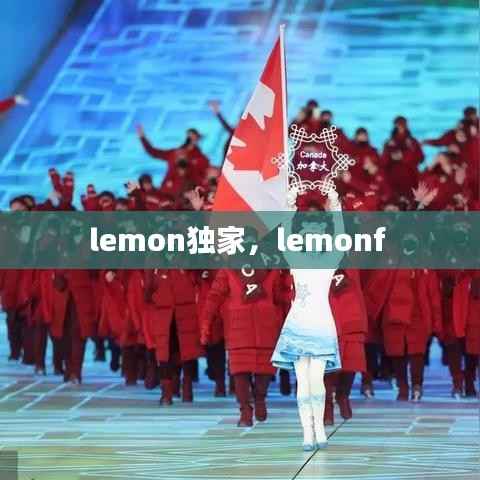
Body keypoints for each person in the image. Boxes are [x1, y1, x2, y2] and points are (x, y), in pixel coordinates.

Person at [271, 189, 343, 451]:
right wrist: (289, 205)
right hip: (298, 324)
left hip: (321, 324)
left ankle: (320, 429)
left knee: (316, 380)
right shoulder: (296, 259)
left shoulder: (330, 260)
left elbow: (341, 236)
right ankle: (307, 433)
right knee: (302, 381)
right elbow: (284, 236)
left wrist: (335, 206)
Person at [200, 269, 287, 427]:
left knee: (255, 370)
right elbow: (215, 297)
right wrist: (206, 323)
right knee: (245, 371)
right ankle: (247, 409)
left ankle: (255, 402)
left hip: (252, 325)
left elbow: (280, 297)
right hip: (250, 325)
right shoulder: (269, 267)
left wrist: (206, 323)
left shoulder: (232, 268)